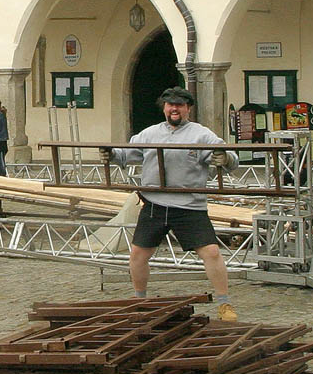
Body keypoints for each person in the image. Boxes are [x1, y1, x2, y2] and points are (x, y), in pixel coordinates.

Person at [100, 87, 240, 321]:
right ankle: (139, 300)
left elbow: (229, 158)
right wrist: (111, 155)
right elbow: (126, 154)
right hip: (155, 203)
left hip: (189, 206)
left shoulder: (202, 135)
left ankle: (224, 304)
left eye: (179, 105)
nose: (174, 109)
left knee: (212, 252)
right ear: (164, 108)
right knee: (137, 254)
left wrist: (224, 157)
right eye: (170, 105)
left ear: (188, 109)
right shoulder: (149, 134)